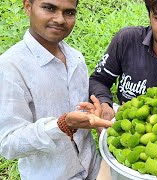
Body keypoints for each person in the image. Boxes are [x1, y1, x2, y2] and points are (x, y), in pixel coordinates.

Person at [0, 0, 112, 179]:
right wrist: (61, 125)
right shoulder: (10, 67)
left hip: (92, 167)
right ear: (28, 7)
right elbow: (8, 144)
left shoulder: (76, 58)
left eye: (69, 12)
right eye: (49, 8)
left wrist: (92, 112)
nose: (60, 19)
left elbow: (79, 112)